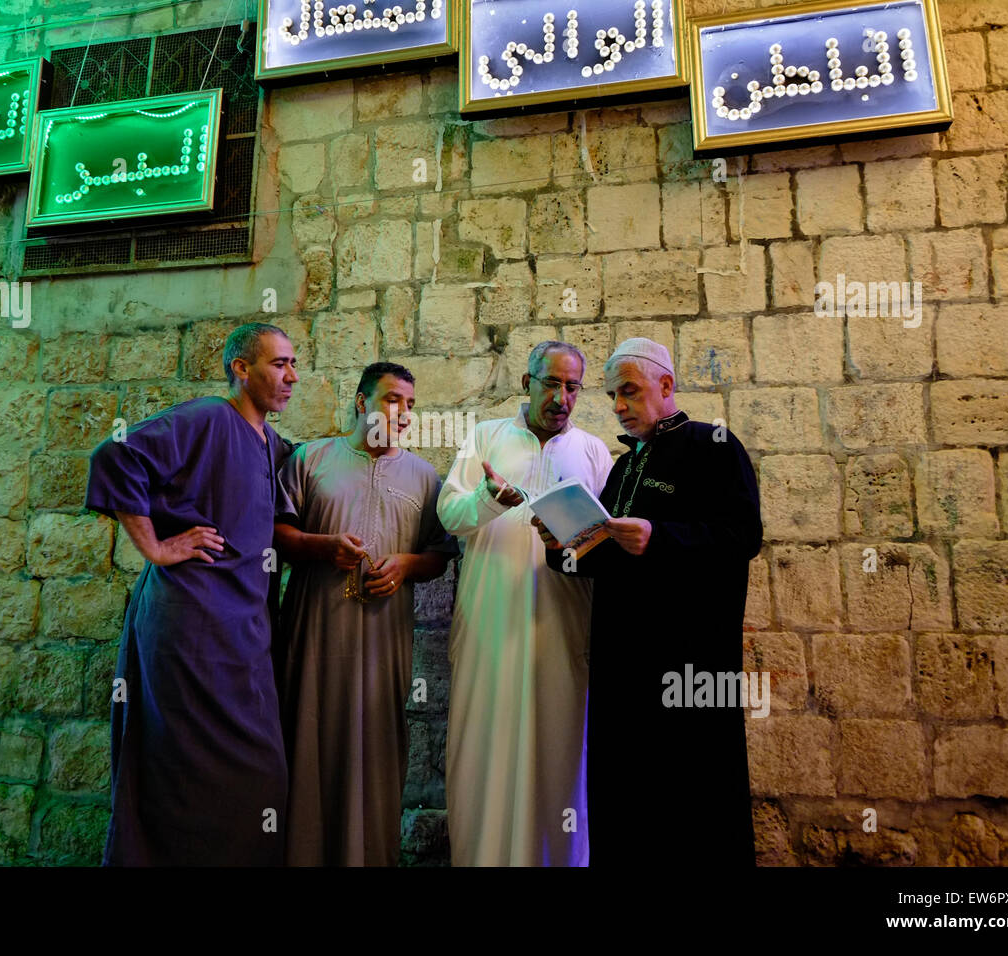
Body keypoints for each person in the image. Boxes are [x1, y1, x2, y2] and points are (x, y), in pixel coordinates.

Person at [535, 337, 762, 867]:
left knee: (693, 806)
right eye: (613, 395)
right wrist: (560, 549)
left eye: (629, 392)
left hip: (689, 667)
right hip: (622, 667)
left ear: (666, 385)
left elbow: (740, 538)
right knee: (624, 803)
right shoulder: (623, 467)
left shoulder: (715, 446)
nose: (617, 405)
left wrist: (658, 535)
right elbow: (602, 557)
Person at [85, 321, 299, 865]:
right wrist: (156, 548)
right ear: (241, 368)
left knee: (260, 773)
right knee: (177, 768)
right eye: (278, 364)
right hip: (188, 625)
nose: (291, 376)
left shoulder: (273, 445)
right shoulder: (208, 418)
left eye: (294, 364)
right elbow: (115, 456)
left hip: (245, 632)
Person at [273, 361, 457, 866]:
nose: (402, 414)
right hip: (314, 633)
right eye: (392, 399)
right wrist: (321, 546)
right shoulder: (311, 460)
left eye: (411, 406)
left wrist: (404, 565)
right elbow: (278, 535)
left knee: (374, 750)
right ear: (361, 402)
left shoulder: (423, 477)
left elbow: (439, 556)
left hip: (384, 640)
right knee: (308, 741)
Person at [437, 341, 613, 866]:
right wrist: (491, 500)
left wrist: (578, 537)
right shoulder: (485, 438)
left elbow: (605, 542)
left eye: (572, 386)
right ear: (527, 383)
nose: (561, 397)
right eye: (551, 383)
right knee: (485, 751)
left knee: (560, 751)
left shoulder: (593, 451)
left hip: (563, 625)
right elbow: (450, 515)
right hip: (492, 623)